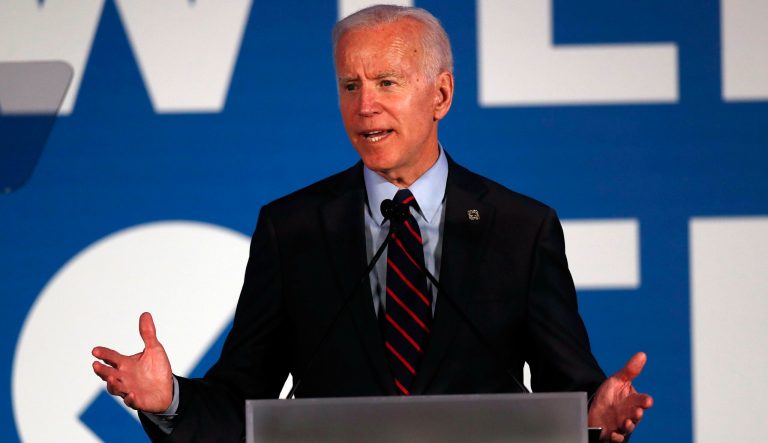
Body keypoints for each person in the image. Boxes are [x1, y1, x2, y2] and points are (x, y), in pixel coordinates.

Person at [92, 5, 652, 442]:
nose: (365, 107)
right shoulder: (293, 230)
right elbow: (243, 399)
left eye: (387, 82)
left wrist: (595, 418)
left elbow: (567, 394)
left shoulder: (520, 228)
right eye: (350, 85)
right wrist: (170, 400)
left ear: (441, 94)